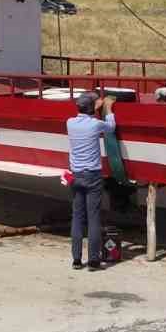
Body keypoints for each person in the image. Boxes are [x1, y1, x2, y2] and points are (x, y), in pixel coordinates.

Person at [66, 93, 115, 271]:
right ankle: (94, 260)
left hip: (76, 175)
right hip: (93, 176)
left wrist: (93, 106)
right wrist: (108, 108)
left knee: (77, 217)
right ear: (92, 108)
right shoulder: (96, 124)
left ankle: (77, 260)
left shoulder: (70, 123)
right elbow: (111, 127)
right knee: (94, 217)